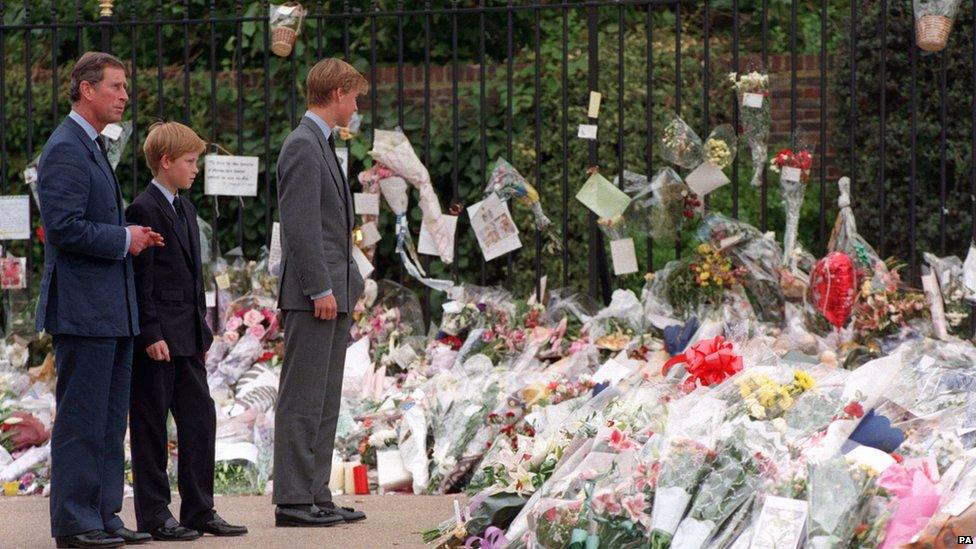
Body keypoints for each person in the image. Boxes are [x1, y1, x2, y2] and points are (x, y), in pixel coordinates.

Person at [37, 51, 163, 548]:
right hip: (83, 311)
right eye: (115, 86)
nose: (125, 95)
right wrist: (122, 239)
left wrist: (130, 235)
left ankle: (104, 513)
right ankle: (74, 521)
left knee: (110, 421)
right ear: (86, 89)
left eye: (125, 87)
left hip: (110, 311)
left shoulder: (93, 145)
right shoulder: (66, 147)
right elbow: (62, 229)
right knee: (82, 420)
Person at [125, 122, 248, 541]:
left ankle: (199, 509)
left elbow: (192, 278)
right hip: (159, 339)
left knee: (200, 421)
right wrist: (151, 332)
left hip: (189, 336)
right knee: (152, 428)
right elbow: (142, 281)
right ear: (166, 162)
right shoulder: (144, 209)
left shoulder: (186, 208)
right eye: (190, 161)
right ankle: (155, 515)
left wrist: (203, 331)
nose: (196, 169)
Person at [273, 58, 368, 527]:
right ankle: (292, 499)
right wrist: (321, 288)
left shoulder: (320, 144)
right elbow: (301, 227)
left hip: (332, 291)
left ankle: (315, 493)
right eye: (355, 96)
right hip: (315, 295)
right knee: (302, 398)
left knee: (325, 398)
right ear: (337, 93)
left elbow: (329, 227)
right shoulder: (303, 146)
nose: (357, 105)